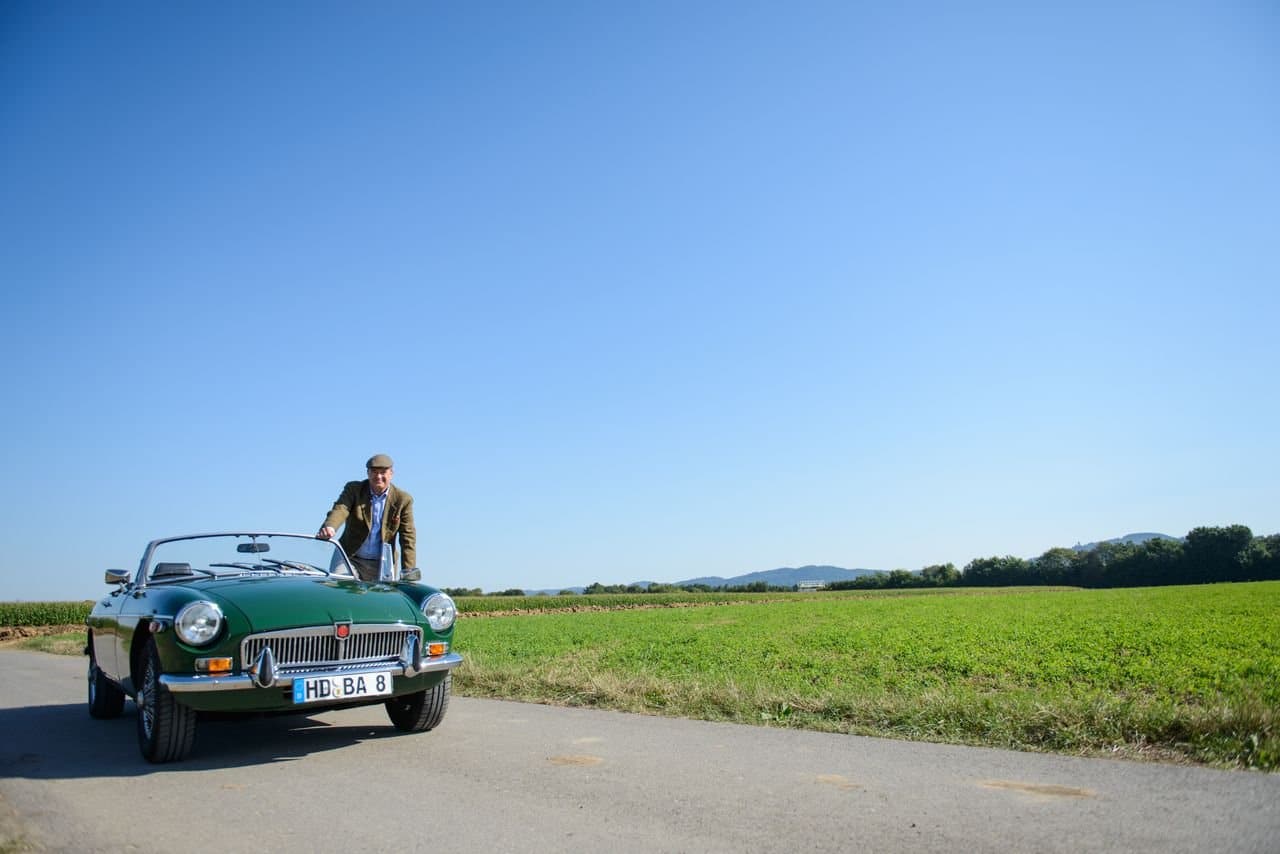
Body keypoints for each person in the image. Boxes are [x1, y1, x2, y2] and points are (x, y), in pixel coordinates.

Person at [317, 454, 416, 581]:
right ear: (368, 473)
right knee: (340, 587)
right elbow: (341, 509)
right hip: (350, 557)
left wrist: (408, 574)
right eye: (374, 472)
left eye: (383, 472)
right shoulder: (354, 489)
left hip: (381, 563)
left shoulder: (403, 499)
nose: (378, 476)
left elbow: (408, 538)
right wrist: (330, 527)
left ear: (391, 473)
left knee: (380, 598)